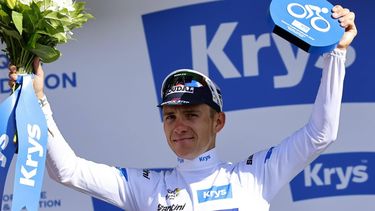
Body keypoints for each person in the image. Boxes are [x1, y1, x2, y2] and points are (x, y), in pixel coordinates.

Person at [8, 5, 357, 211]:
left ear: (218, 121)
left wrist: (336, 53)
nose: (179, 125)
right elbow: (67, 171)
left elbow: (320, 134)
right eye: (170, 116)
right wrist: (38, 99)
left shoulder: (254, 176)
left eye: (191, 114)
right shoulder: (147, 188)